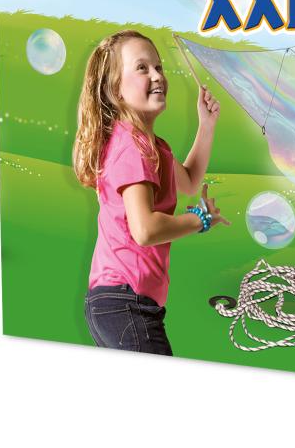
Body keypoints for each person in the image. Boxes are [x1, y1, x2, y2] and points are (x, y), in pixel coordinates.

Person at [72, 29, 229, 354]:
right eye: (142, 68)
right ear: (116, 88)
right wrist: (199, 220)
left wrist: (207, 126)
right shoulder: (132, 146)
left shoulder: (152, 145)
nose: (157, 75)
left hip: (119, 304)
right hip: (125, 303)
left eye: (158, 67)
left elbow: (189, 181)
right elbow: (145, 229)